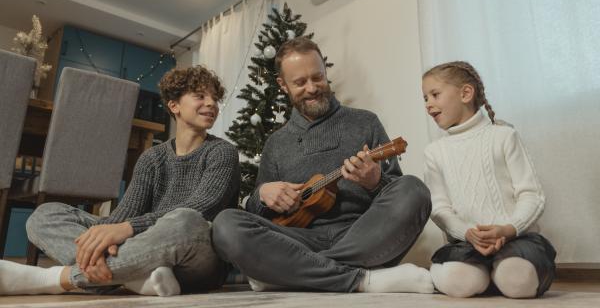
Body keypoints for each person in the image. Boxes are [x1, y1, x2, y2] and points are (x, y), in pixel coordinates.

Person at [212, 37, 433, 293]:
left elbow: (397, 191)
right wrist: (261, 195)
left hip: (363, 235)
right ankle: (363, 280)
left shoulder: (365, 122)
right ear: (283, 85)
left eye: (318, 77)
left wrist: (374, 182)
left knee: (414, 190)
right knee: (226, 224)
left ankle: (292, 273)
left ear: (325, 73)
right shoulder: (276, 142)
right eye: (300, 82)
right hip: (299, 241)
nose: (312, 88)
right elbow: (256, 213)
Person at [0, 66, 240, 296]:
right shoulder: (152, 158)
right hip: (147, 248)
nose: (211, 103)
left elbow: (201, 209)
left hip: (196, 254)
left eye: (214, 98)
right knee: (45, 214)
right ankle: (136, 278)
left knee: (185, 219)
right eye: (200, 96)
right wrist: (106, 234)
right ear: (174, 105)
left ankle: (54, 279)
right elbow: (125, 214)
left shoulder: (222, 152)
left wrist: (127, 229)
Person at [421, 61, 556, 298]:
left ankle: (499, 273)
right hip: (466, 244)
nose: (428, 104)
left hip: (516, 238)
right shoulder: (434, 152)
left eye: (434, 94)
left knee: (518, 280)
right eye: (425, 98)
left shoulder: (504, 136)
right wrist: (467, 232)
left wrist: (509, 228)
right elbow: (440, 209)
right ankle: (485, 274)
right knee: (458, 283)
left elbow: (532, 195)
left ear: (465, 93)